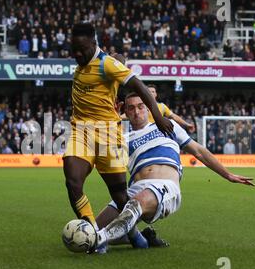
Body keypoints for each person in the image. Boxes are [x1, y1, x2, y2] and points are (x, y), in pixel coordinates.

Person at [94, 93, 254, 253]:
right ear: (126, 113)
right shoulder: (122, 138)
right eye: (131, 108)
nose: (136, 112)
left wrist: (228, 175)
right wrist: (111, 123)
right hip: (135, 188)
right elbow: (106, 162)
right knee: (92, 230)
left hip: (164, 185)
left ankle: (102, 240)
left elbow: (198, 151)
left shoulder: (166, 125)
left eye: (141, 106)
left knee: (133, 206)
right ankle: (138, 238)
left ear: (148, 108)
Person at [63, 23, 173, 240]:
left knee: (121, 196)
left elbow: (140, 86)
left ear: (93, 44)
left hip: (108, 135)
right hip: (81, 131)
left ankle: (139, 238)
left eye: (81, 49)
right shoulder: (84, 63)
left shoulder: (107, 64)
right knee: (73, 181)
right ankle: (92, 234)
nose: (77, 54)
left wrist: (158, 116)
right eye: (73, 49)